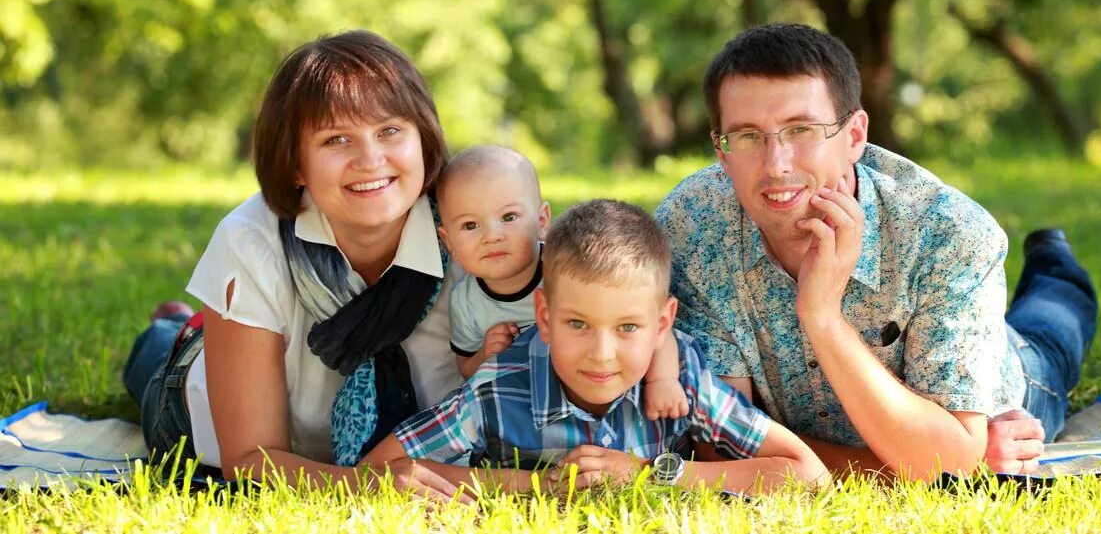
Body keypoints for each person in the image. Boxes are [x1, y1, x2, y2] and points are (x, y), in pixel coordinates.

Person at [655, 23, 1098, 481]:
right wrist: (926, 457)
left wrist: (822, 316)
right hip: (915, 426)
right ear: (721, 151)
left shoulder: (949, 233)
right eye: (748, 136)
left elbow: (944, 462)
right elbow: (723, 449)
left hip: (1011, 378)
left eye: (801, 129)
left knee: (1055, 322)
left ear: (854, 136)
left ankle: (1053, 258)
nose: (776, 165)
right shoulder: (693, 226)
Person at [121, 30, 466, 498]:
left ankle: (193, 325)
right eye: (337, 139)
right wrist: (367, 486)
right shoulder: (251, 240)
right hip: (190, 411)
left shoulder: (475, 227)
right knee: (156, 355)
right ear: (295, 164)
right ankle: (178, 331)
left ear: (423, 140)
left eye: (389, 131)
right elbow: (248, 460)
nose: (370, 159)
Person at [350, 199, 830, 494]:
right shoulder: (496, 389)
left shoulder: (679, 380)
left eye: (627, 328)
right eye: (577, 323)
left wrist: (652, 473)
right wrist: (533, 484)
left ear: (663, 324)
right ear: (544, 317)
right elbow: (381, 470)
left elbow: (808, 474)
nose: (602, 354)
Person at [438, 145, 687, 413]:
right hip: (531, 406)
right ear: (448, 240)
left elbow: (652, 325)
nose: (492, 235)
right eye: (470, 225)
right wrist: (484, 356)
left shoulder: (569, 272)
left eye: (509, 217)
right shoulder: (465, 302)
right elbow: (464, 368)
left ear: (542, 220)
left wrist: (663, 380)